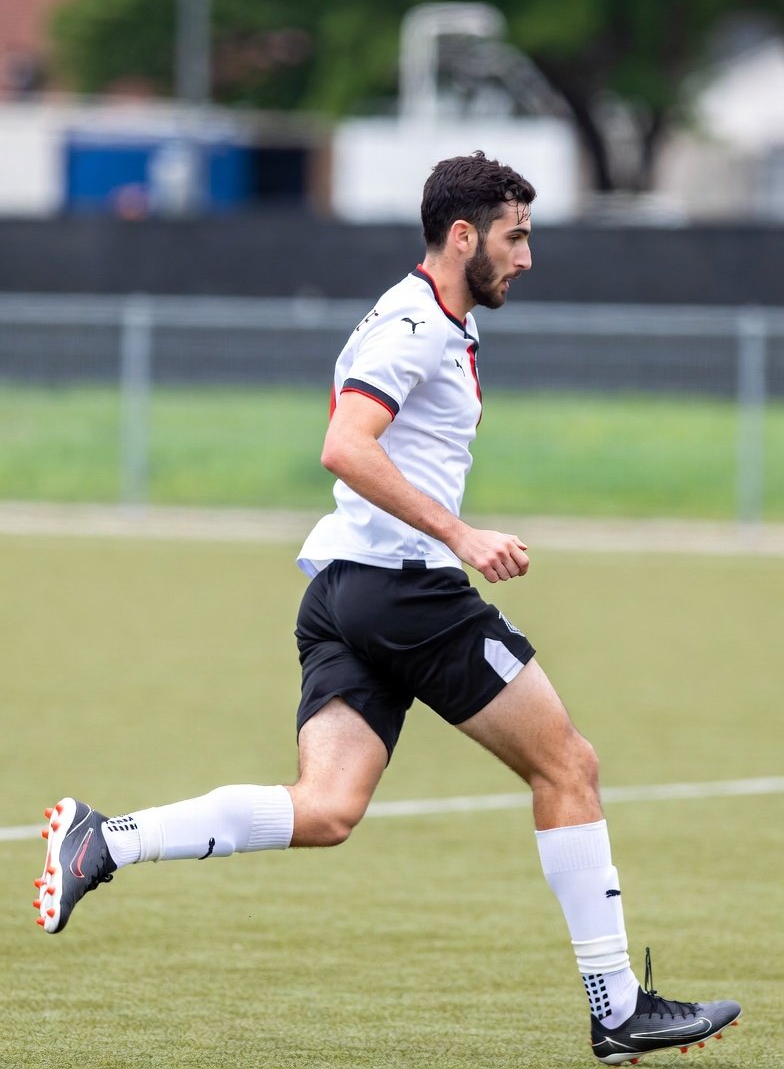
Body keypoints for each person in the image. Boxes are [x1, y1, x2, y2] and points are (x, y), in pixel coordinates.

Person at [34, 152, 740, 1065]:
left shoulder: (432, 317)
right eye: (515, 237)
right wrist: (461, 535)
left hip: (343, 590)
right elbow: (344, 445)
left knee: (326, 808)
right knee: (569, 766)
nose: (525, 258)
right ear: (462, 236)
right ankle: (618, 1009)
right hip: (405, 591)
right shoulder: (414, 326)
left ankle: (108, 839)